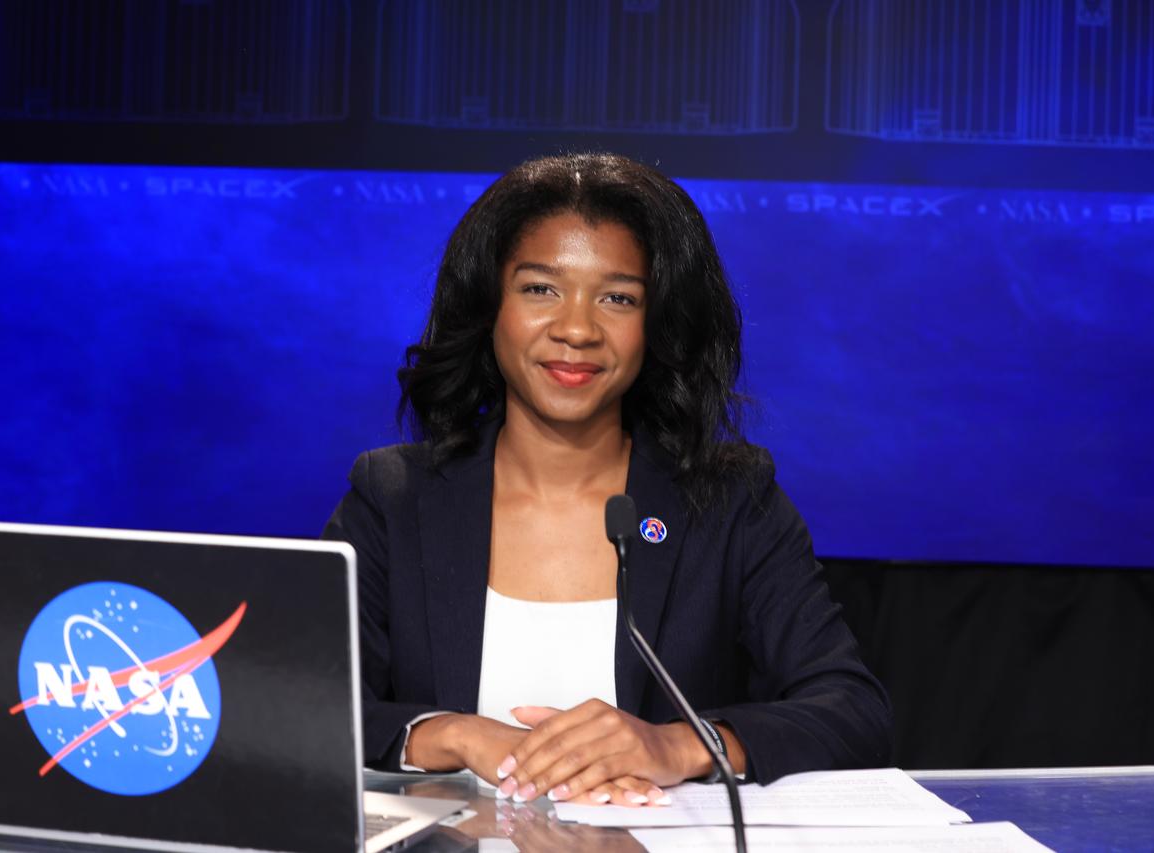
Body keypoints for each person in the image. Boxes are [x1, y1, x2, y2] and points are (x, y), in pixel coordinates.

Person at [323, 153, 891, 808]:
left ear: (657, 325)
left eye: (618, 297)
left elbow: (853, 711)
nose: (577, 329)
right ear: (489, 308)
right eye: (540, 288)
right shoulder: (394, 497)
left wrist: (677, 745)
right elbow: (307, 703)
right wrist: (452, 734)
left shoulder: (732, 501)